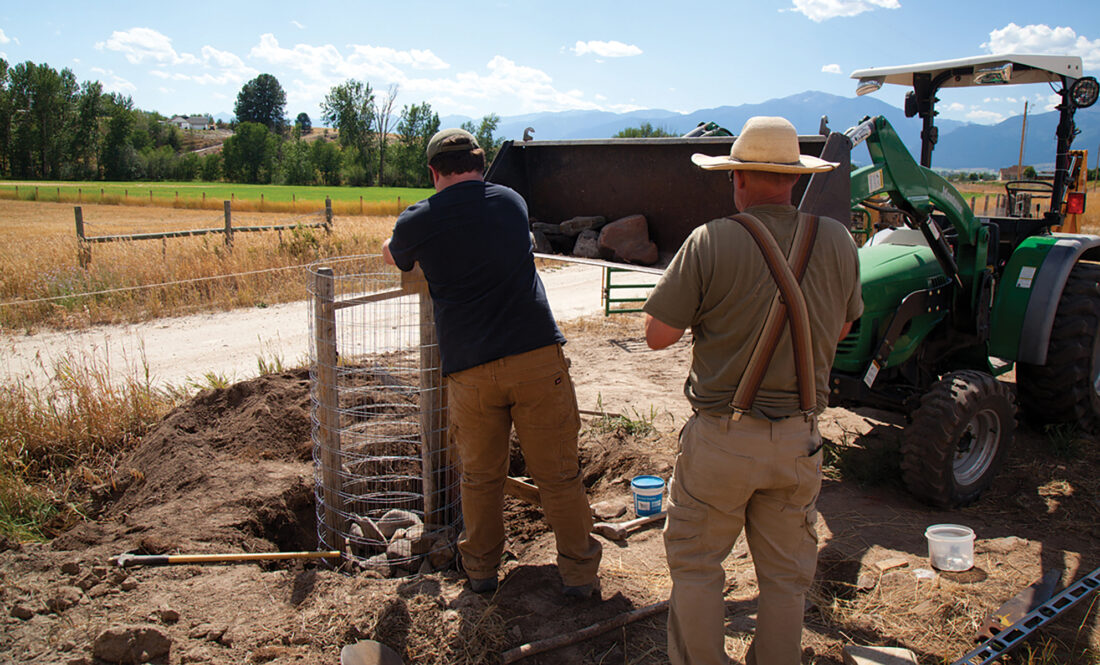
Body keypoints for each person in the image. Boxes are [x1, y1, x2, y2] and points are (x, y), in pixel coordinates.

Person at [644, 116, 863, 665]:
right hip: (800, 442)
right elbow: (841, 326)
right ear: (795, 178)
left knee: (697, 567)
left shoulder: (710, 240)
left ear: (738, 177)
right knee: (787, 578)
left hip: (723, 439)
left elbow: (657, 336)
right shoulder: (839, 240)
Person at [382, 128, 602, 598]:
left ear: (433, 172)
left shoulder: (418, 219)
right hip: (536, 357)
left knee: (480, 478)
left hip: (470, 370)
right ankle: (580, 576)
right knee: (559, 474)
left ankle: (481, 573)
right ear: (481, 165)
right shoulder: (511, 202)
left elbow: (394, 255)